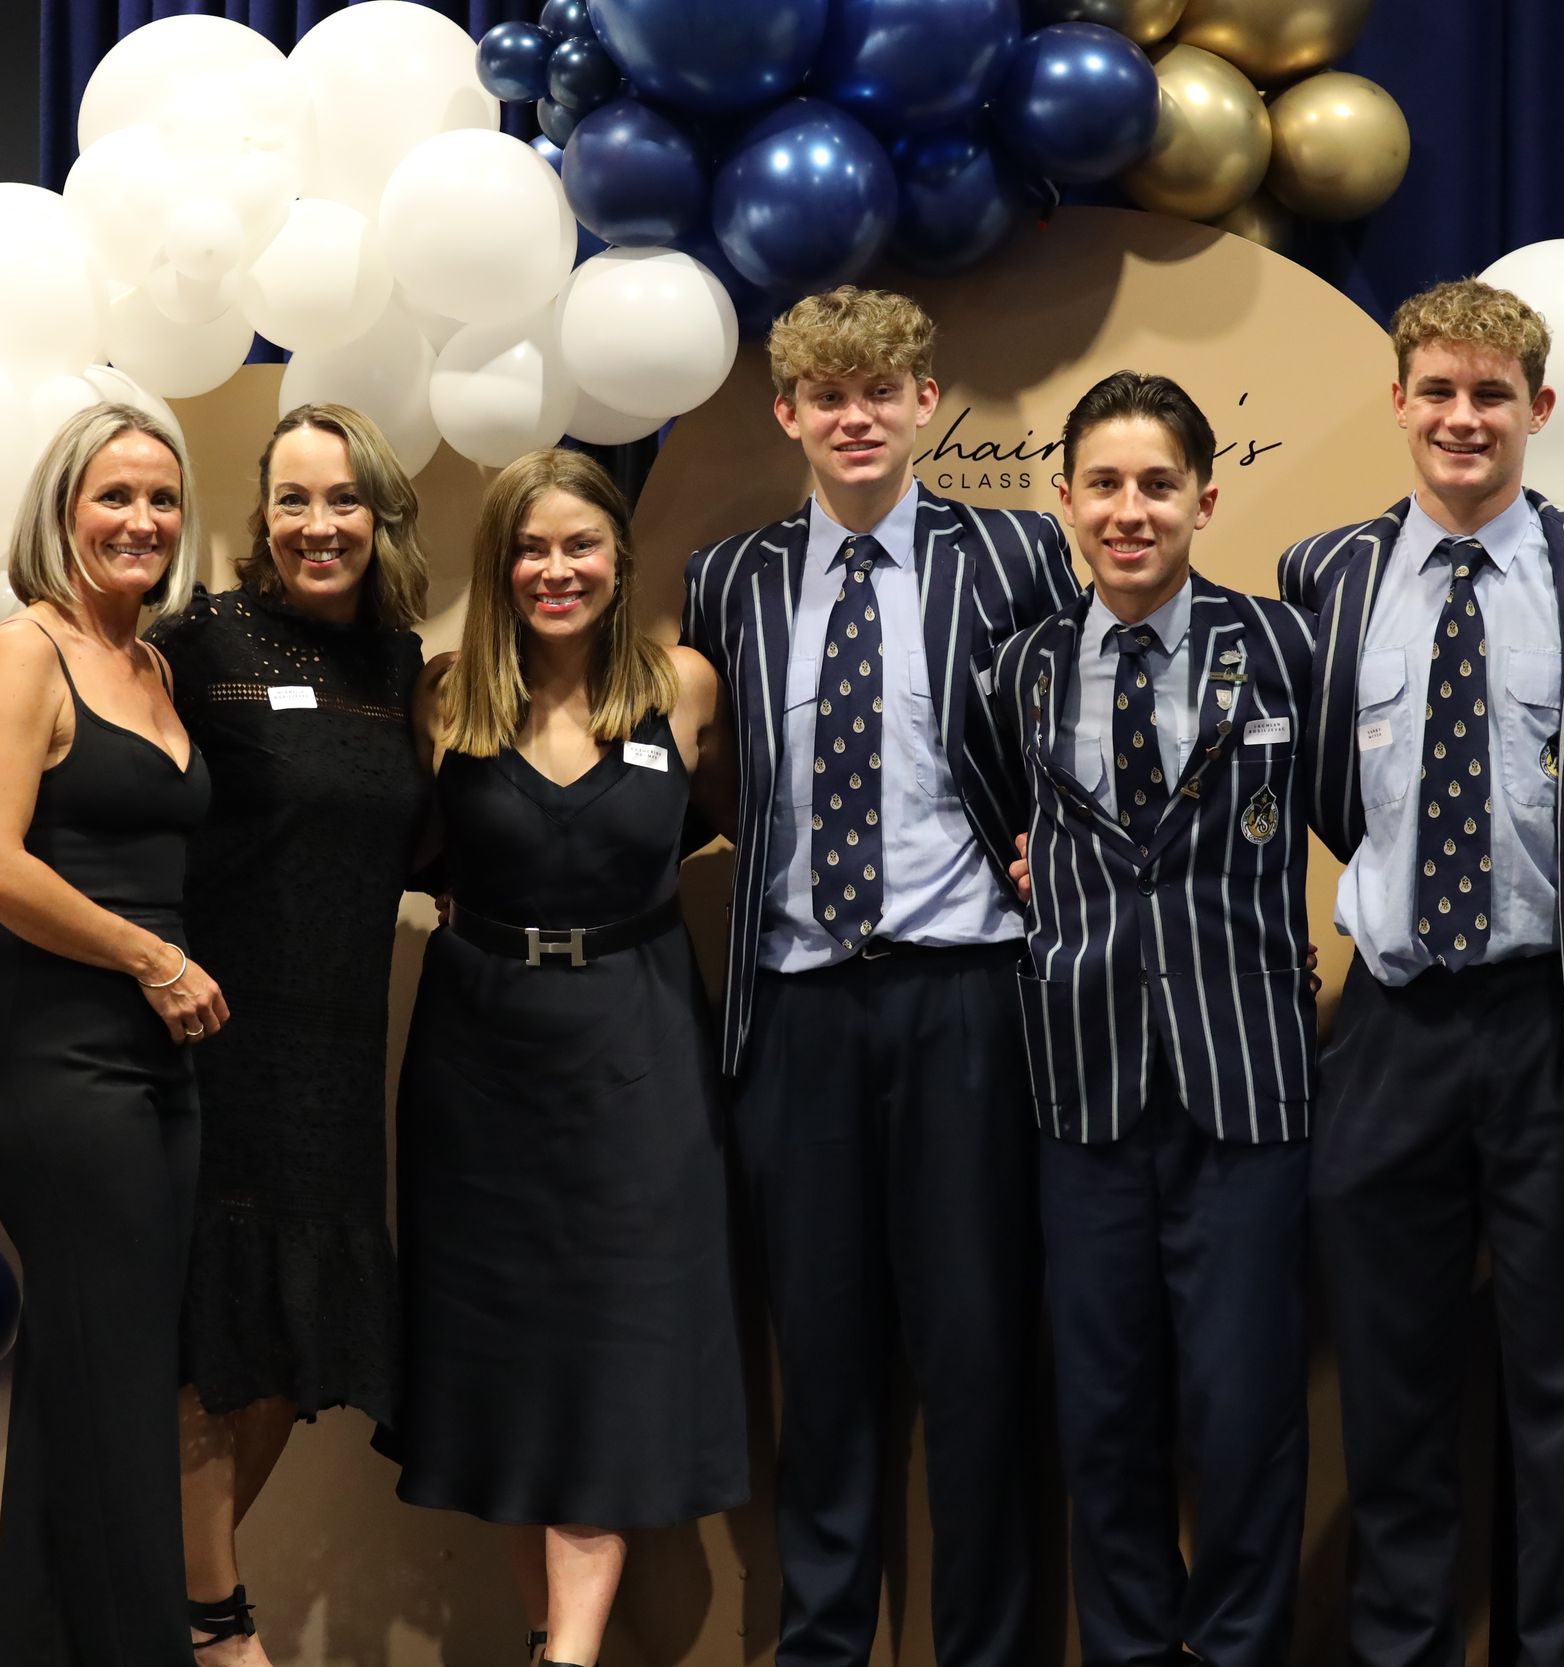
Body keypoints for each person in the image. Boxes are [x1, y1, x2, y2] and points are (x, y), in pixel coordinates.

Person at [680, 285, 1077, 1667]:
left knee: (976, 1351)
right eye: (827, 396)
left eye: (880, 392)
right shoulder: (728, 580)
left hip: (968, 997)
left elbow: (1081, 726)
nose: (855, 418)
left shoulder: (1017, 552)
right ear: (786, 413)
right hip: (796, 1006)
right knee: (822, 1354)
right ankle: (823, 1642)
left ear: (924, 403)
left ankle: (986, 1646)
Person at [1275, 278, 1564, 1667]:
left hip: (1555, 1024)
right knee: (1392, 1389)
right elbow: (1329, 793)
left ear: (1538, 408)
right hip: (1393, 1025)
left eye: (1492, 394)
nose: (1463, 417)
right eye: (1437, 390)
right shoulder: (1326, 573)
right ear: (1399, 401)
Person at [384, 448, 744, 1667]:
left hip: (639, 1049)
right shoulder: (445, 700)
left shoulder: (682, 687)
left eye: (579, 545)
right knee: (505, 1352)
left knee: (612, 1347)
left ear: (618, 559)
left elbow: (757, 825)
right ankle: (552, 1633)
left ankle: (569, 1654)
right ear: (497, 564)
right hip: (476, 1062)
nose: (556, 569)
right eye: (530, 548)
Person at [981, 371, 1317, 1666]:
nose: (1131, 510)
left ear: (1205, 500)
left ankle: (1234, 1650)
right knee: (1103, 1411)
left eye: (1158, 485)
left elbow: (1360, 810)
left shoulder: (1284, 646)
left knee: (1244, 1412)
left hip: (1247, 1086)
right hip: (1081, 1087)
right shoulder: (1018, 668)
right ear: (1066, 500)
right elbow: (1002, 832)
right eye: (1106, 484)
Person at [148, 404, 435, 1666]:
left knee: (287, 1345)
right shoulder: (196, 643)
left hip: (338, 1045)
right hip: (219, 1030)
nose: (319, 525)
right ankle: (216, 1623)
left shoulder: (399, 663)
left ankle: (173, 1604)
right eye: (294, 499)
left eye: (344, 499)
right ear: (262, 515)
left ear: (382, 515)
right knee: (220, 1337)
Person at [0, 402, 223, 1667]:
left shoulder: (152, 666)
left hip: (155, 1063)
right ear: (61, 510)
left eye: (161, 498)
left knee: (92, 1388)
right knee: (113, 1399)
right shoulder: (22, 655)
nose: (141, 520)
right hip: (55, 1062)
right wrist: (150, 955)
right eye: (114, 495)